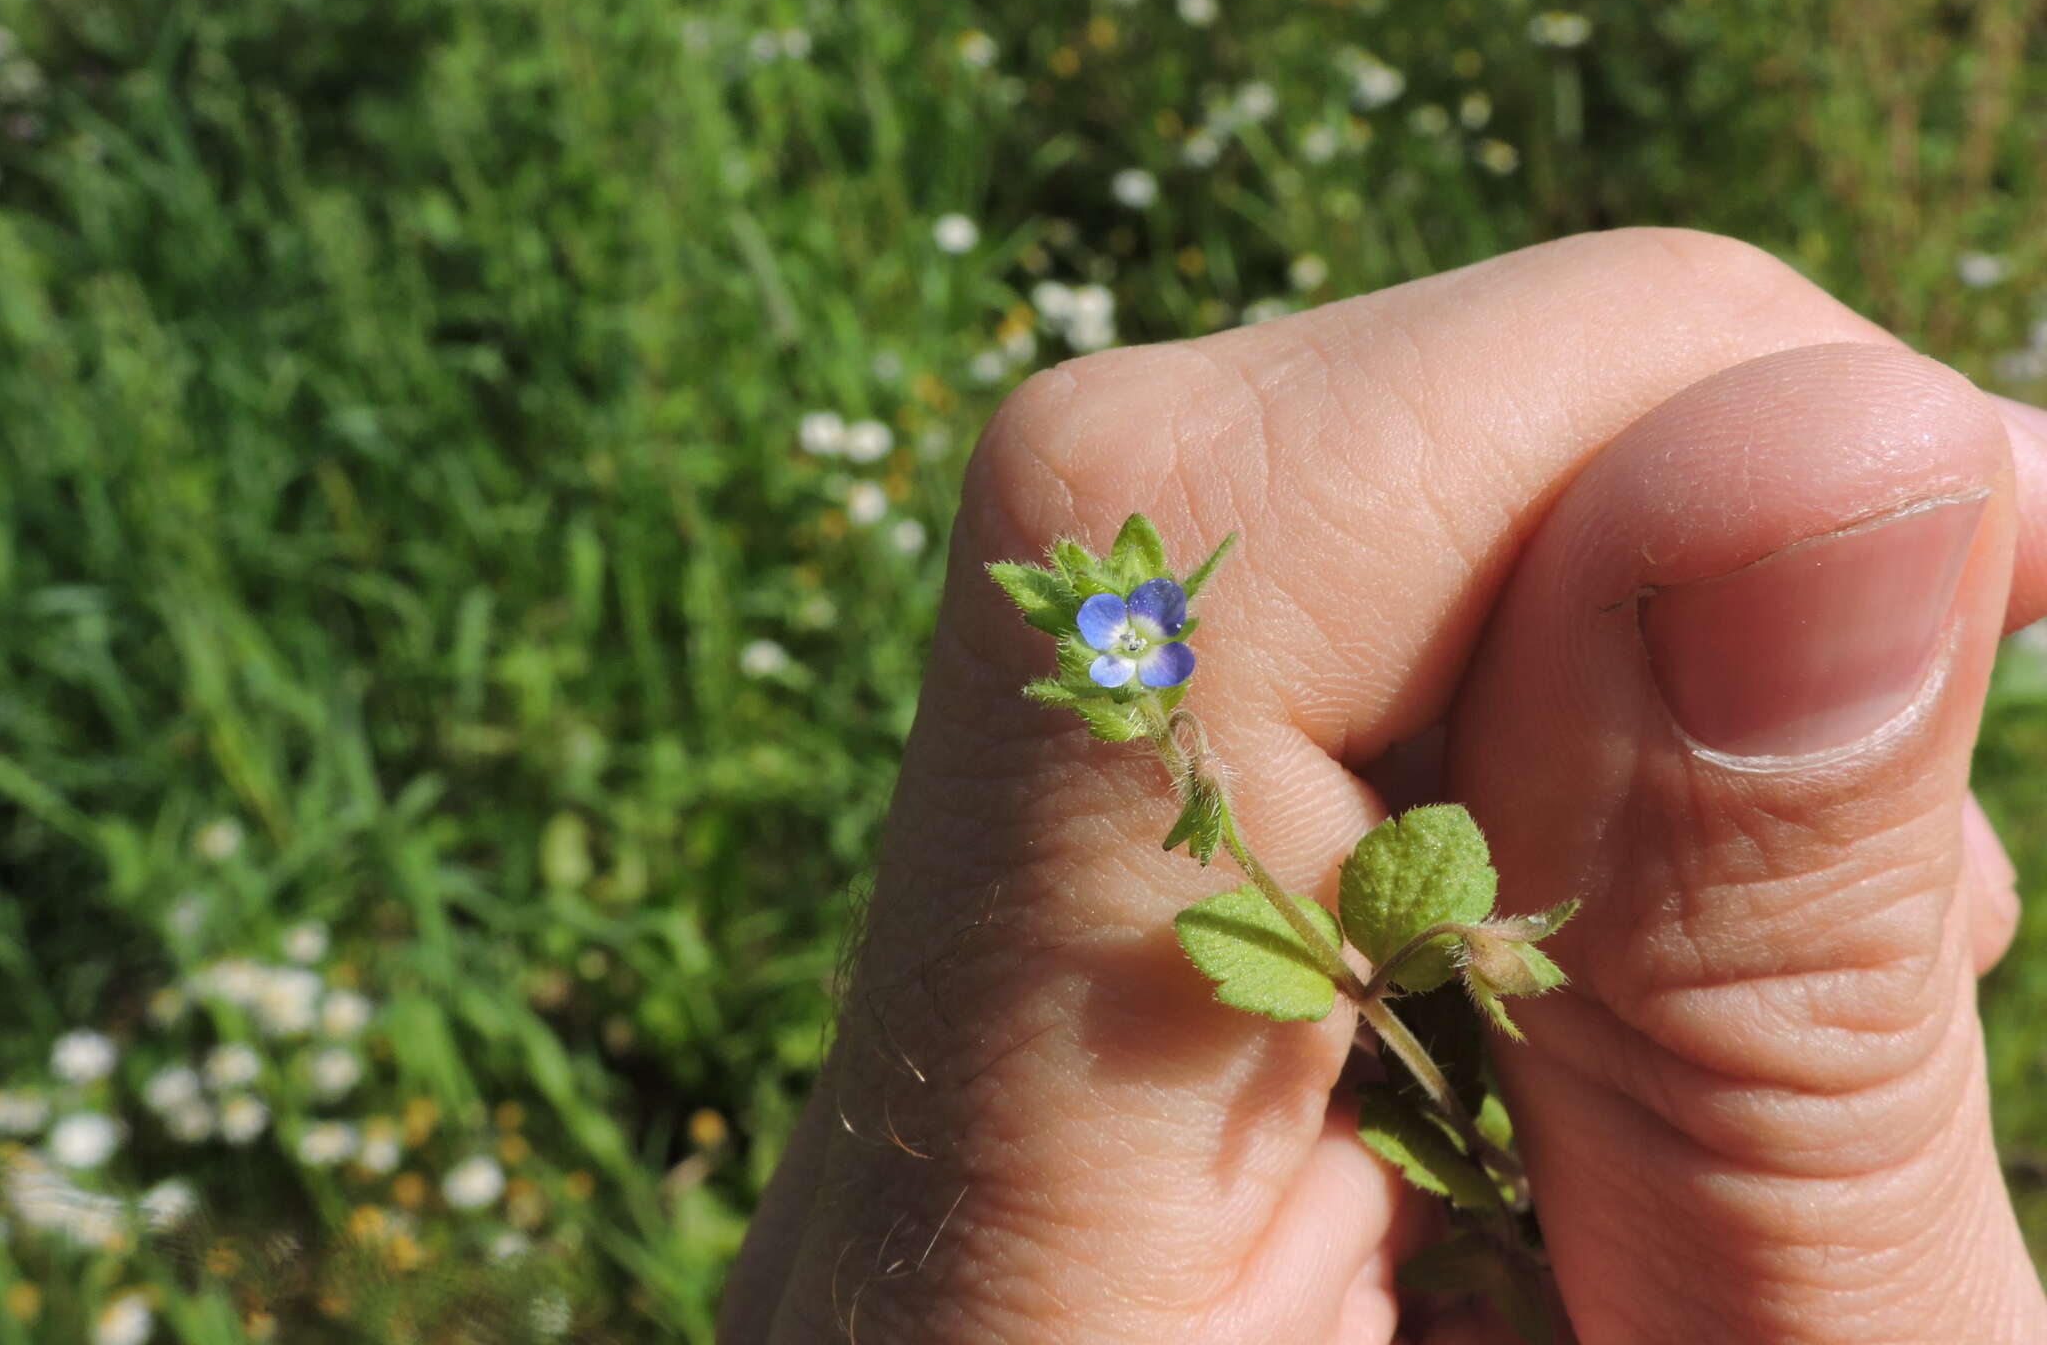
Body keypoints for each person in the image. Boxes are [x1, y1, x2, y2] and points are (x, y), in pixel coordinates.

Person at [722, 230, 2047, 1343]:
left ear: (1156, 639)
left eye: (1138, 638)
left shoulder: (1178, 676)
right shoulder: (1159, 700)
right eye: (1119, 644)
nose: (1131, 649)